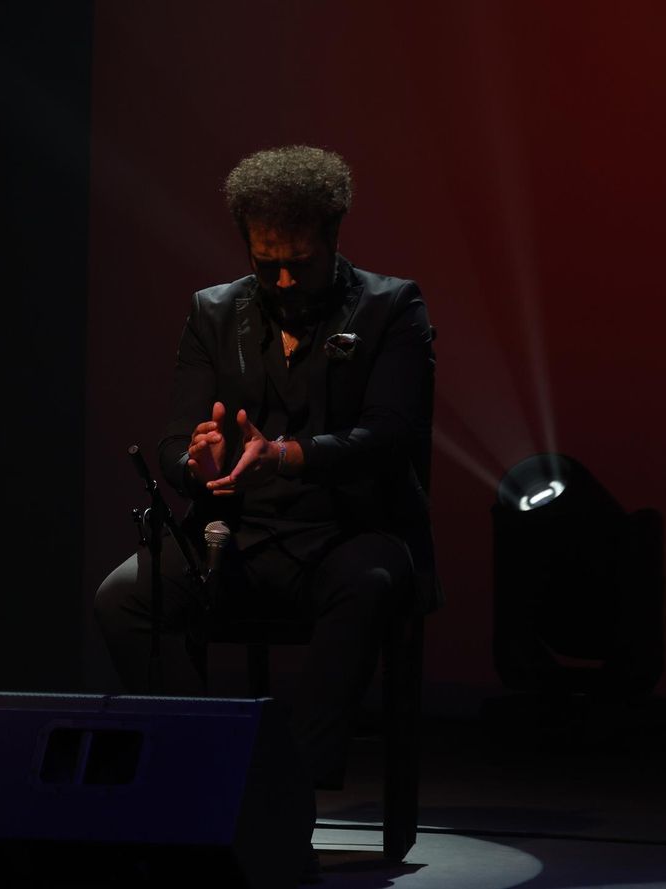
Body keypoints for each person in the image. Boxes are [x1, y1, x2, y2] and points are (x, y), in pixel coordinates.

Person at [94, 145, 439, 811]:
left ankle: (285, 794)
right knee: (124, 597)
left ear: (333, 239)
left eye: (300, 264)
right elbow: (174, 442)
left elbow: (391, 436)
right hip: (240, 533)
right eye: (266, 262)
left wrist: (285, 455)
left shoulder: (391, 308)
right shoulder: (213, 312)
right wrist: (196, 465)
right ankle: (197, 768)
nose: (282, 281)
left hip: (349, 530)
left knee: (367, 583)